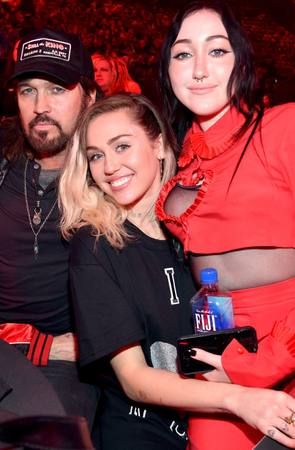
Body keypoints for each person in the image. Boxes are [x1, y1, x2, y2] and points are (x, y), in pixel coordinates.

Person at [59, 93, 295, 450]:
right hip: (147, 425)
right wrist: (241, 400)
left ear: (157, 144)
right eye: (96, 155)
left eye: (122, 146)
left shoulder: (196, 225)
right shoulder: (95, 244)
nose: (109, 166)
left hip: (230, 406)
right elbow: (134, 379)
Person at [155, 1, 295, 448]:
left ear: (242, 63)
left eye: (217, 51)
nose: (199, 69)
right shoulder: (178, 164)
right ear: (167, 69)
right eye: (183, 54)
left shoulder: (282, 128)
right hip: (221, 358)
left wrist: (267, 359)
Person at [0, 28, 103, 428]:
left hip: (62, 353)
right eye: (27, 90)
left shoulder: (108, 173)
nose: (40, 106)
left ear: (88, 97)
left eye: (57, 89)